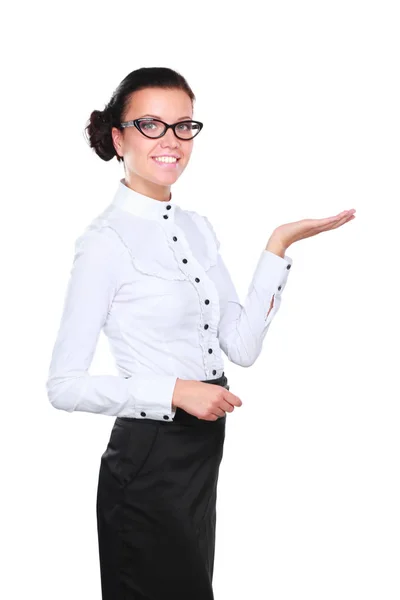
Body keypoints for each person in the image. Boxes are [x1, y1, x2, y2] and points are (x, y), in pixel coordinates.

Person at [45, 66, 356, 600]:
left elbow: (241, 347)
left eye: (183, 126)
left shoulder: (195, 227)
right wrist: (174, 391)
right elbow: (63, 385)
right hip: (148, 458)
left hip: (200, 453)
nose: (171, 141)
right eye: (151, 125)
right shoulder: (104, 242)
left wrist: (277, 246)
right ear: (118, 137)